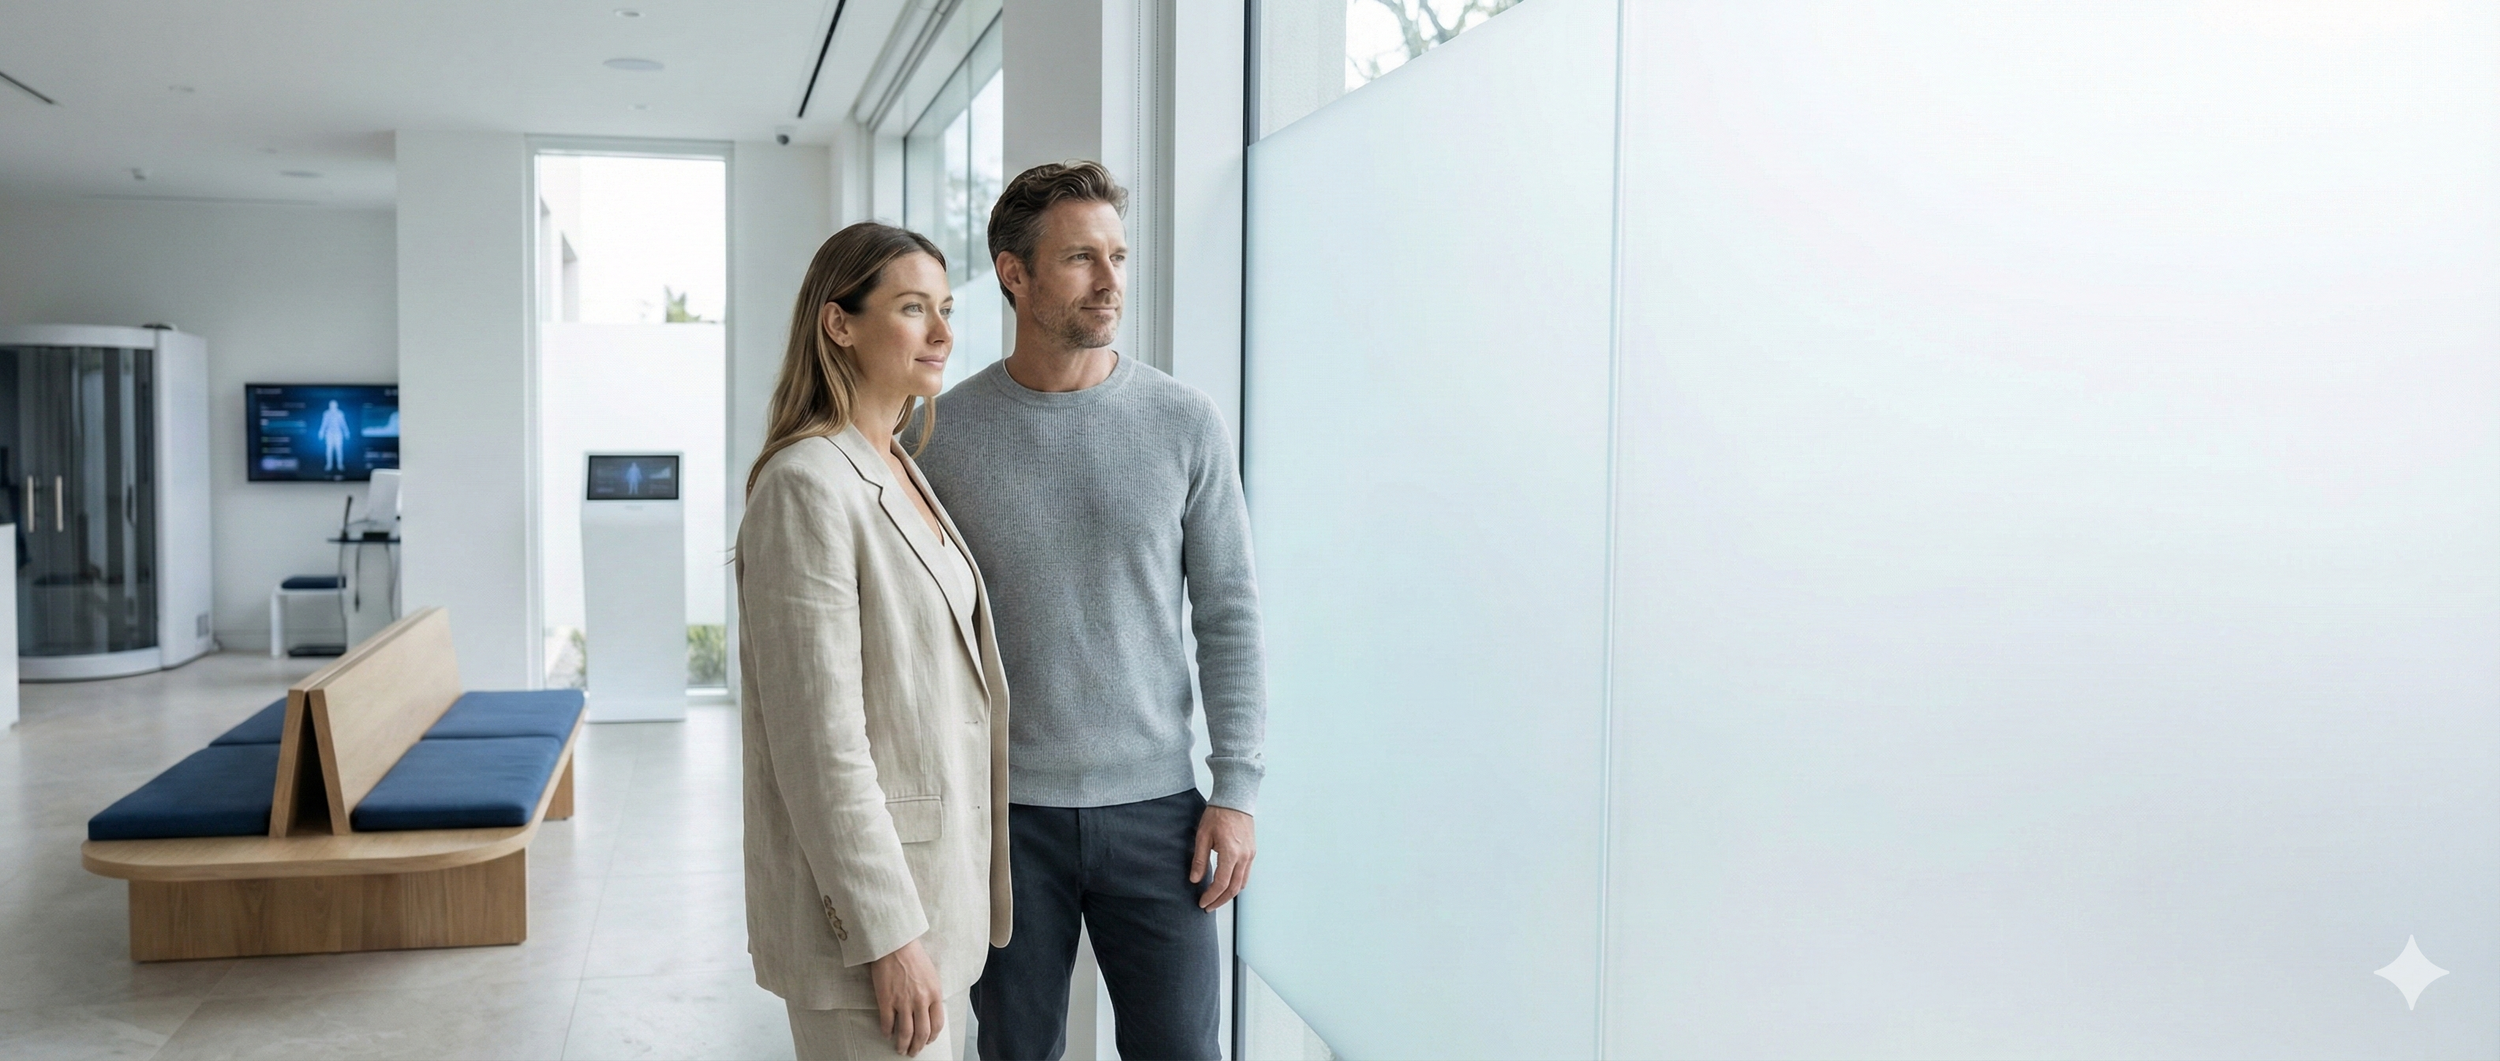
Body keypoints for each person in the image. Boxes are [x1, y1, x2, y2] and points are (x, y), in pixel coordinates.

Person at [915, 161, 1267, 1061]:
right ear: (1014, 273)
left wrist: (1238, 790)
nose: (1111, 281)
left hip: (1162, 817)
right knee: (1015, 1051)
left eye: (1118, 254)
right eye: (1080, 258)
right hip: (1005, 818)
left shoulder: (1184, 420)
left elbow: (1228, 613)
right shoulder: (939, 437)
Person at [738, 221, 1013, 1060]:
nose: (942, 332)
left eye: (946, 308)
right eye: (911, 308)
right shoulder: (806, 484)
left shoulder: (896, 462)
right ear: (840, 324)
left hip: (940, 904)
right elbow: (821, 747)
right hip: (872, 934)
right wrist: (889, 935)